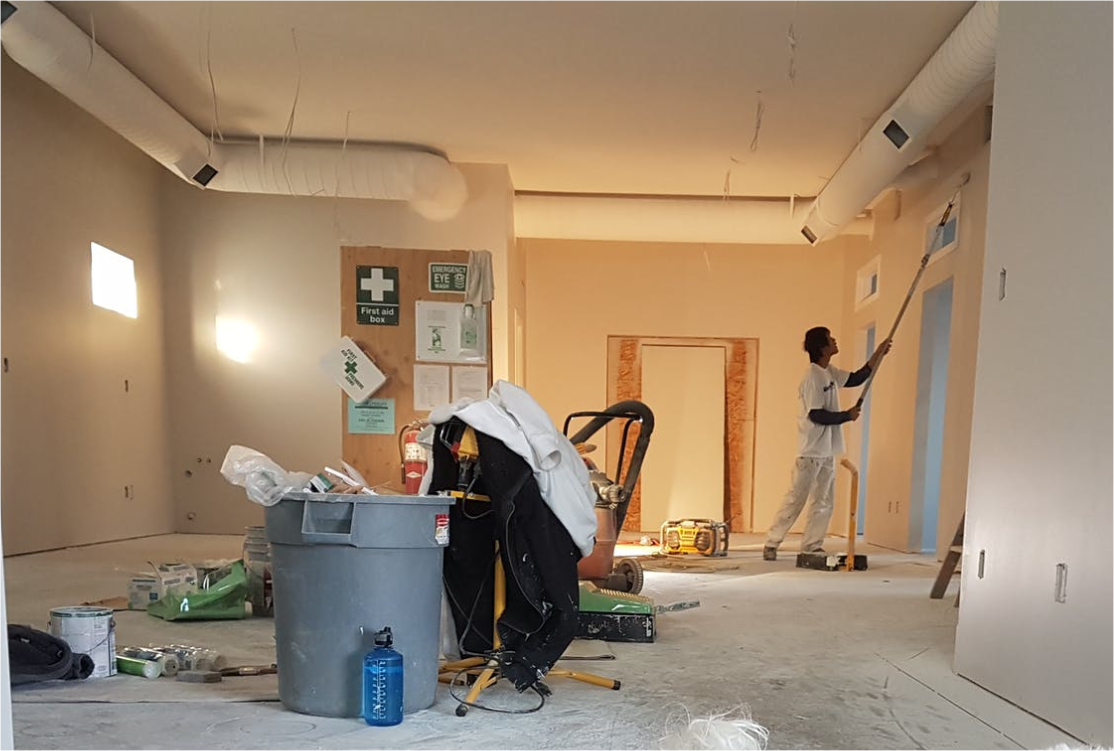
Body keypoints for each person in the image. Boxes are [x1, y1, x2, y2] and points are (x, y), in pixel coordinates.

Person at [763, 327, 892, 561]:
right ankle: (772, 542)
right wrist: (846, 415)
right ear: (822, 348)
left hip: (827, 451)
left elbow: (856, 378)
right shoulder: (812, 377)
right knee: (796, 499)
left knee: (823, 501)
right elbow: (816, 415)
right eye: (830, 339)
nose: (835, 341)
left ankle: (811, 546)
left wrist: (877, 354)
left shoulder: (828, 372)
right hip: (810, 451)